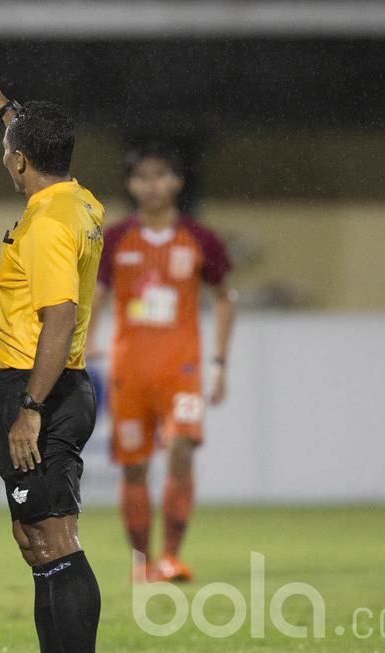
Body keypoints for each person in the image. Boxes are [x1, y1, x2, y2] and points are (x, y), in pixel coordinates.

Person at [0, 62, 108, 653]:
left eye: (8, 152)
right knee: (35, 540)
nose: (5, 162)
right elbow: (34, 141)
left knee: (53, 540)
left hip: (41, 388)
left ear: (19, 161)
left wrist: (28, 407)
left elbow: (60, 317)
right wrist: (5, 109)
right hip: (53, 386)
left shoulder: (48, 222)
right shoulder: (76, 199)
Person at [94, 145, 234, 582]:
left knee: (180, 452)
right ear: (132, 185)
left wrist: (218, 362)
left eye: (160, 176)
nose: (151, 185)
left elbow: (225, 297)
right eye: (142, 177)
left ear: (176, 182)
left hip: (182, 372)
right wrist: (84, 342)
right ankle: (142, 562)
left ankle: (171, 556)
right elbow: (95, 295)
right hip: (129, 372)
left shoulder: (201, 239)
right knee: (134, 465)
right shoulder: (115, 239)